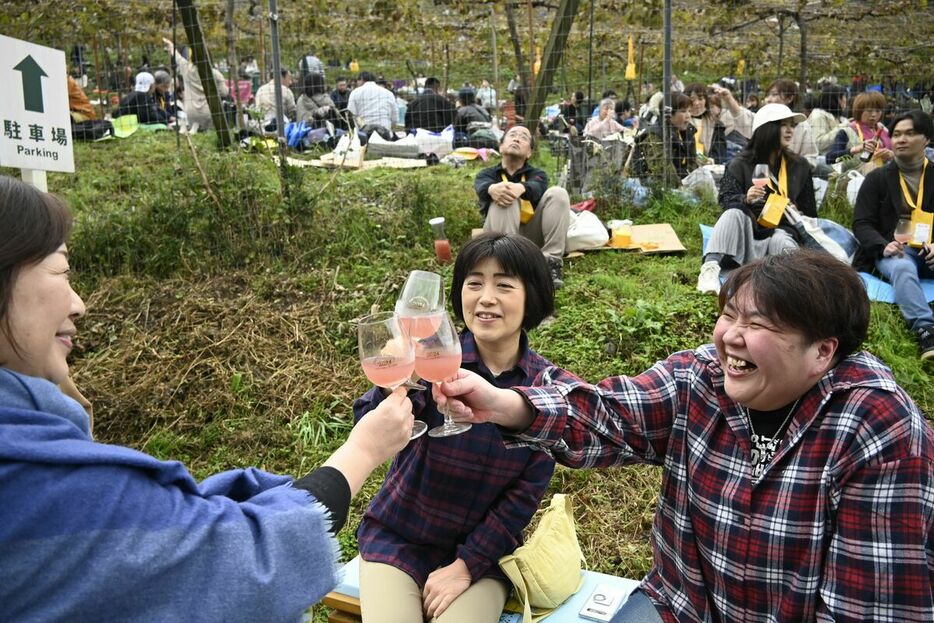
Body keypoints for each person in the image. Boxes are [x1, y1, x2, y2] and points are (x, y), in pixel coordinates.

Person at [436, 249, 934, 623]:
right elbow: (611, 414)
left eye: (757, 324)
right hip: (682, 603)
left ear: (822, 352)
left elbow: (866, 607)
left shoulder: (877, 429)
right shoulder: (704, 375)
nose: (729, 337)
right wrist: (507, 404)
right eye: (729, 314)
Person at [0, 174, 414, 621]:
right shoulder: (44, 480)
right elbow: (242, 564)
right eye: (61, 271)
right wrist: (364, 449)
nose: (79, 303)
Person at [354, 233, 556, 623]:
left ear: (532, 296)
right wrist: (391, 384)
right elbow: (367, 427)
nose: (486, 297)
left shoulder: (549, 390)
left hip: (483, 556)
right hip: (400, 538)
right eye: (474, 282)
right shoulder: (430, 359)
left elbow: (523, 498)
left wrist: (467, 564)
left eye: (504, 285)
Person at [697, 104, 816, 294]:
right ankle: (710, 270)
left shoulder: (799, 166)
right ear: (766, 130)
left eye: (792, 125)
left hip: (780, 230)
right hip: (746, 233)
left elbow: (810, 213)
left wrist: (797, 211)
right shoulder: (739, 163)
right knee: (734, 213)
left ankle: (787, 285)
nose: (790, 130)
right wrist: (746, 198)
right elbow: (726, 200)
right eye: (783, 125)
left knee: (783, 245)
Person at [852, 110, 934, 359]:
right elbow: (862, 223)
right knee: (901, 268)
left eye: (910, 133)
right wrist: (882, 245)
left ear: (927, 139)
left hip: (929, 249)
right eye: (896, 134)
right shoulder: (877, 178)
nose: (901, 140)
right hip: (895, 249)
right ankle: (926, 330)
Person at [474, 125, 570, 288]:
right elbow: (482, 186)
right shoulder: (487, 174)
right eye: (512, 135)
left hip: (531, 234)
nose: (517, 138)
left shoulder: (537, 174)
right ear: (501, 146)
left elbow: (538, 186)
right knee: (505, 196)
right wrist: (492, 189)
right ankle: (507, 265)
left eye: (524, 137)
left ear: (529, 153)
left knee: (558, 193)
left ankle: (550, 263)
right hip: (497, 235)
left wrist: (522, 187)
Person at [734, 79, 817, 159]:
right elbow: (745, 120)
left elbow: (810, 158)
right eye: (767, 95)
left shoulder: (803, 126)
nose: (768, 99)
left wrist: (793, 168)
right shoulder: (763, 119)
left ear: (790, 98)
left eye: (774, 95)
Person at [162, 38, 229, 131]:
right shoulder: (215, 74)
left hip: (190, 112)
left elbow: (178, 58)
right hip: (208, 112)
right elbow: (224, 93)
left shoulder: (187, 69)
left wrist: (171, 45)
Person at [631, 92, 698, 183]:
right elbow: (662, 171)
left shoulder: (687, 131)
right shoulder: (654, 135)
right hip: (652, 187)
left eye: (689, 111)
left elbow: (692, 163)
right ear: (669, 115)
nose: (688, 116)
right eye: (683, 111)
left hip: (681, 182)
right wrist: (683, 190)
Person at [827, 91, 894, 166]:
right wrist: (858, 149)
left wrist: (892, 155)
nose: (874, 114)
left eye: (878, 111)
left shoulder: (883, 130)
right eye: (869, 111)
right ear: (859, 111)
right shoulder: (847, 131)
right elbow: (830, 158)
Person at [684, 84, 727, 163]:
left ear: (706, 100)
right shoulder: (681, 123)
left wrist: (710, 161)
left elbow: (720, 152)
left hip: (709, 168)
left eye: (700, 99)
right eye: (692, 100)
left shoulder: (716, 124)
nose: (697, 103)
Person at [347, 71, 397, 137]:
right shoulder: (388, 93)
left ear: (361, 79)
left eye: (357, 81)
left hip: (365, 133)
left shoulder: (355, 93)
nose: (357, 83)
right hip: (385, 132)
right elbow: (395, 117)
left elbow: (351, 114)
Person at [808, 84, 849, 154]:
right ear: (836, 99)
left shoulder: (841, 118)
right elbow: (818, 143)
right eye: (843, 97)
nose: (845, 100)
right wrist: (842, 128)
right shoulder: (818, 115)